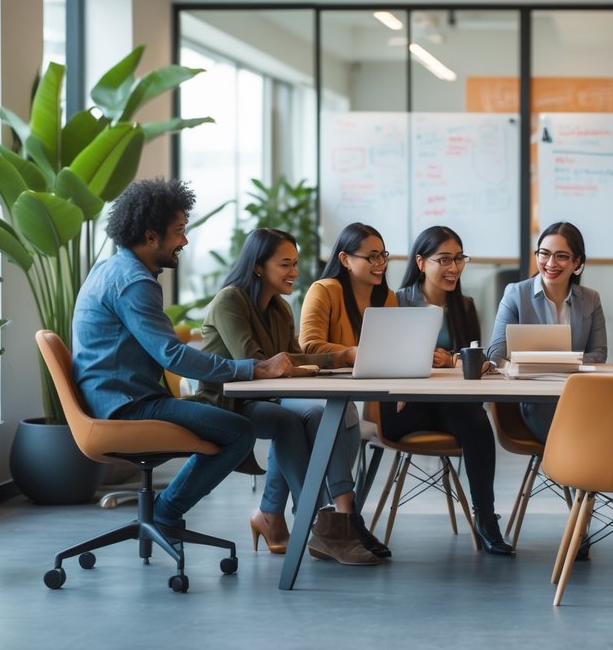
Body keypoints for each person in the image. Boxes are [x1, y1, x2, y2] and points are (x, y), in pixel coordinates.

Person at [71, 178, 297, 533]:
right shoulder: (135, 282)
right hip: (128, 405)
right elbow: (172, 356)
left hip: (115, 398)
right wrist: (249, 368)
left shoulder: (110, 269)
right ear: (150, 236)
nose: (184, 241)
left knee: (236, 423)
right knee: (239, 430)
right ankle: (166, 512)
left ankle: (167, 512)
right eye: (178, 232)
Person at [195, 228, 382, 566]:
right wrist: (326, 359)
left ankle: (328, 517)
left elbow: (293, 358)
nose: (294, 272)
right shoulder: (229, 301)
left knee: (332, 415)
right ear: (257, 267)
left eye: (295, 263)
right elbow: (260, 364)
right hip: (226, 404)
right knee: (303, 417)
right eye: (285, 264)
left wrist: (336, 359)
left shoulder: (280, 309)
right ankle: (327, 519)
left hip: (270, 400)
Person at [392, 225, 513, 556]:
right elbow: (384, 355)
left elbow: (474, 358)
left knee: (477, 422)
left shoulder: (465, 305)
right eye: (444, 259)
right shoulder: (397, 302)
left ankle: (486, 519)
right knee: (469, 418)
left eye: (459, 258)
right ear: (421, 263)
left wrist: (450, 360)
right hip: (406, 407)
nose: (454, 268)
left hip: (450, 405)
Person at [297, 222, 398, 561]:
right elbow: (308, 346)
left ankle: (338, 523)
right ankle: (345, 517)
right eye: (371, 256)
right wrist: (355, 351)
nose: (380, 263)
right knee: (342, 416)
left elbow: (394, 348)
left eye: (383, 255)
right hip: (312, 389)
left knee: (346, 417)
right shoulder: (324, 290)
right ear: (344, 258)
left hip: (352, 393)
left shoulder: (387, 296)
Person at [487, 221, 607, 442]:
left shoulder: (591, 299)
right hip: (536, 399)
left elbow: (599, 354)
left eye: (561, 256)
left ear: (577, 263)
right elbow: (495, 354)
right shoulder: (515, 294)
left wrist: (546, 363)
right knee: (582, 440)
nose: (550, 263)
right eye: (544, 254)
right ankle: (575, 474)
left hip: (580, 396)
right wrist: (566, 362)